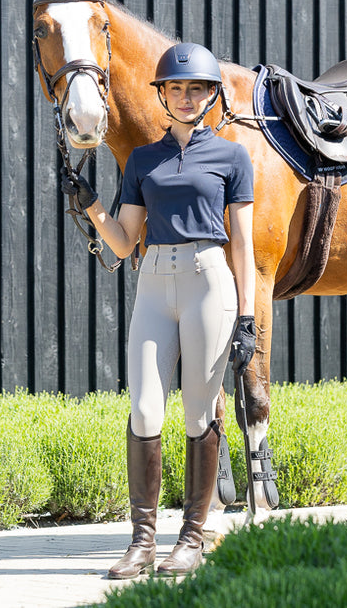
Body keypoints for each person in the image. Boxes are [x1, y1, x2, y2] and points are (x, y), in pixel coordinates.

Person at [59, 42, 257, 577]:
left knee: (199, 413)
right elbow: (124, 242)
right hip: (153, 281)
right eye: (176, 88)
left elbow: (243, 243)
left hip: (209, 283)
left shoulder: (232, 157)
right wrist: (92, 203)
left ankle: (191, 538)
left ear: (211, 94)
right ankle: (142, 541)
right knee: (145, 409)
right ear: (163, 95)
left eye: (197, 88)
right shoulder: (143, 159)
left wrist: (248, 316)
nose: (187, 96)